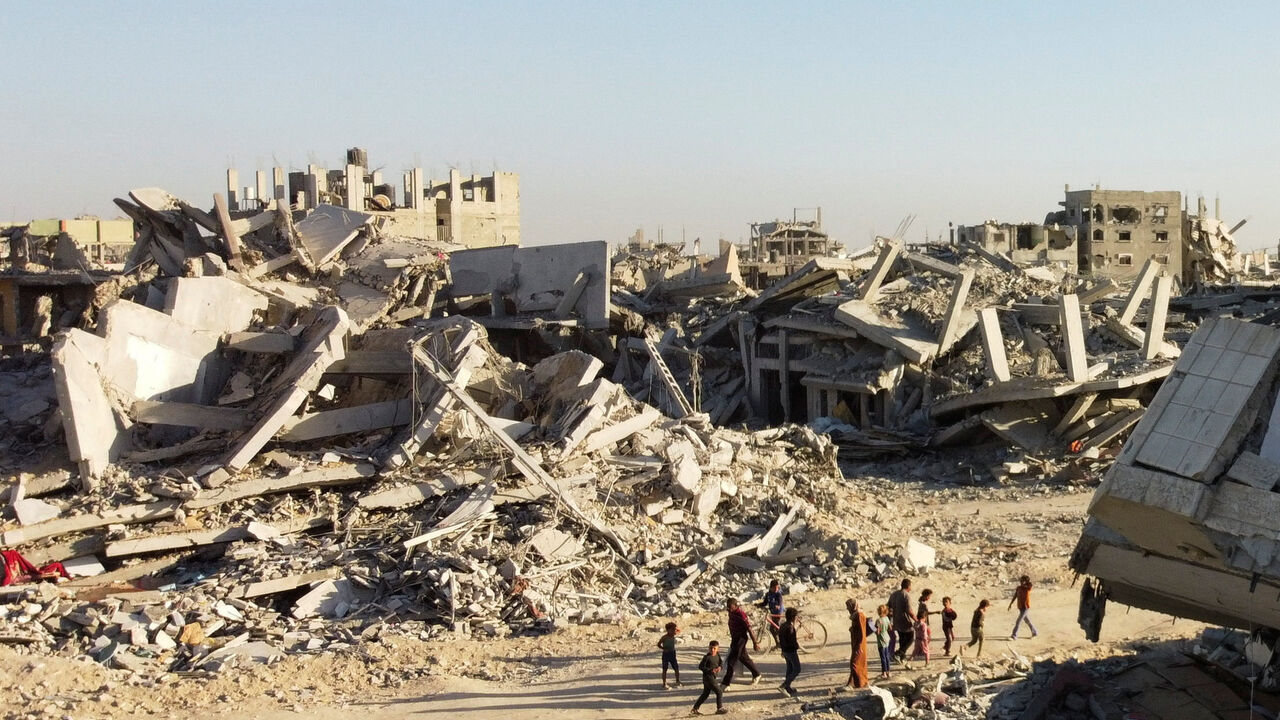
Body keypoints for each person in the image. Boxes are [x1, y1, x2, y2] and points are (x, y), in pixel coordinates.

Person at [722, 598, 761, 687]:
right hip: (735, 638)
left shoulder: (741, 615)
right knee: (743, 657)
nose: (729, 609)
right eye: (728, 607)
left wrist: (755, 642)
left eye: (731, 607)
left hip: (740, 639)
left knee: (732, 661)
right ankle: (757, 674)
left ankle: (725, 683)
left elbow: (749, 628)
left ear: (736, 606)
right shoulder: (731, 612)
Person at [691, 641, 727, 715]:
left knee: (705, 694)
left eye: (714, 648)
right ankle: (719, 708)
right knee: (719, 691)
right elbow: (701, 666)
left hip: (712, 678)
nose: (712, 650)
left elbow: (721, 663)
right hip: (708, 678)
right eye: (711, 648)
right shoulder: (707, 657)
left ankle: (695, 709)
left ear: (718, 649)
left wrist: (720, 667)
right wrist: (711, 670)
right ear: (708, 648)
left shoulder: (718, 655)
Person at [887, 578, 917, 666]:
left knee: (902, 639)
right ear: (908, 586)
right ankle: (899, 653)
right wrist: (916, 620)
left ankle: (901, 657)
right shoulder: (906, 595)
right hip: (905, 621)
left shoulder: (894, 594)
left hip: (896, 621)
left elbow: (888, 606)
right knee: (910, 638)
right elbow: (909, 611)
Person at [844, 598, 869, 688]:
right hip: (856, 643)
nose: (847, 609)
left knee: (855, 663)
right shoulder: (856, 615)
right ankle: (853, 682)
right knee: (856, 663)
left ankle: (860, 683)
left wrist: (859, 646)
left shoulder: (859, 615)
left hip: (859, 644)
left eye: (848, 607)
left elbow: (862, 632)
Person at [778, 607, 801, 697]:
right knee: (797, 669)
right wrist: (796, 646)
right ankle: (784, 685)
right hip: (791, 651)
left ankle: (788, 687)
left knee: (790, 668)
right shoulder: (790, 628)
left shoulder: (783, 625)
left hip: (785, 651)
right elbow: (792, 641)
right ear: (793, 617)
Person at [657, 621, 682, 689]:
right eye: (672, 630)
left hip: (672, 653)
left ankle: (677, 681)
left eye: (674, 629)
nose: (674, 631)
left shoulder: (674, 635)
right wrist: (664, 648)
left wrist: (675, 628)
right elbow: (658, 644)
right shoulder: (664, 637)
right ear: (668, 630)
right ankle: (664, 683)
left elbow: (679, 630)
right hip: (666, 654)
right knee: (665, 669)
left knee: (676, 668)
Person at [874, 604, 892, 680]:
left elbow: (877, 632)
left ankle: (884, 672)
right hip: (887, 637)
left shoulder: (878, 620)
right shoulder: (887, 618)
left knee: (883, 657)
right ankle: (888, 671)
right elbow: (890, 628)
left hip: (881, 639)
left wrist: (874, 629)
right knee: (887, 656)